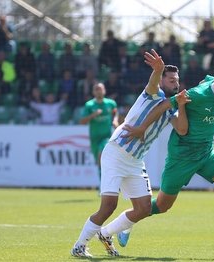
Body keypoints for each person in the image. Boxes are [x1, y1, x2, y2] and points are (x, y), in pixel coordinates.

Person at [117, 66, 214, 252]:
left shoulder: (213, 81)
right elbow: (164, 105)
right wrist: (141, 128)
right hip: (182, 155)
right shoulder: (197, 95)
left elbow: (206, 77)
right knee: (162, 205)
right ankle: (128, 220)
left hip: (206, 152)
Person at [70, 49, 189, 258]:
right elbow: (153, 82)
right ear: (162, 81)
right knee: (108, 205)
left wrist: (182, 106)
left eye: (176, 80)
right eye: (170, 80)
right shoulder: (154, 94)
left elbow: (182, 129)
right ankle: (79, 246)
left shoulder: (171, 108)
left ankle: (106, 234)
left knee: (144, 208)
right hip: (117, 152)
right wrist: (157, 70)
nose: (175, 84)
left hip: (135, 160)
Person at [79, 82, 119, 180]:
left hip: (106, 137)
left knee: (103, 156)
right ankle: (102, 184)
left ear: (104, 90)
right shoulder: (89, 105)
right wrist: (93, 115)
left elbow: (115, 113)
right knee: (99, 162)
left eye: (100, 89)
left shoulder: (110, 103)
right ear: (93, 92)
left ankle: (105, 185)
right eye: (96, 89)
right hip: (94, 138)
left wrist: (115, 120)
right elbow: (82, 121)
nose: (99, 91)